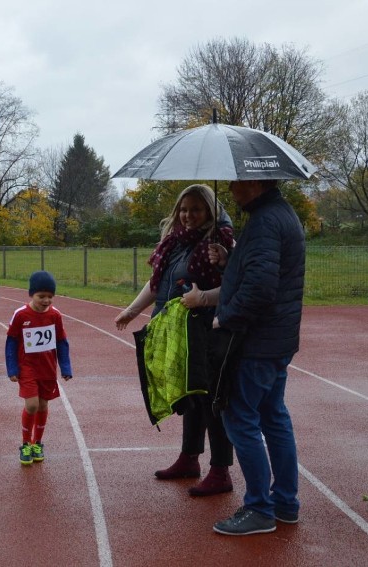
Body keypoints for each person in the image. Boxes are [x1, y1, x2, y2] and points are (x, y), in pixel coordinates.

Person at [114, 184, 235, 496]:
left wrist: (223, 260)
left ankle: (220, 471)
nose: (188, 215)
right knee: (188, 395)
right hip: (173, 329)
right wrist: (131, 311)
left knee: (210, 399)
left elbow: (237, 284)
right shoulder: (174, 242)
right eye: (184, 208)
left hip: (204, 329)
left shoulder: (220, 241)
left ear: (210, 210)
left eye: (196, 209)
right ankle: (189, 458)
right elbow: (157, 284)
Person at [211, 179, 305, 536]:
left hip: (258, 342)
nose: (232, 186)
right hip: (276, 339)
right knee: (273, 416)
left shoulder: (266, 221)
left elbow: (261, 289)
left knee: (239, 417)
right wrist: (230, 259)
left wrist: (226, 316)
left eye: (237, 179)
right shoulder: (278, 215)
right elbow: (263, 272)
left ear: (255, 181)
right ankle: (284, 503)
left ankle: (259, 509)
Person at [6, 271, 72, 465]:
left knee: (43, 405)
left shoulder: (55, 315)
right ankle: (25, 443)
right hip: (27, 367)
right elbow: (11, 342)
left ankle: (38, 443)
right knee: (32, 404)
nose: (46, 300)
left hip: (48, 367)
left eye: (50, 297)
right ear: (31, 295)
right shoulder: (21, 315)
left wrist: (65, 366)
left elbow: (62, 342)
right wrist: (12, 368)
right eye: (41, 296)